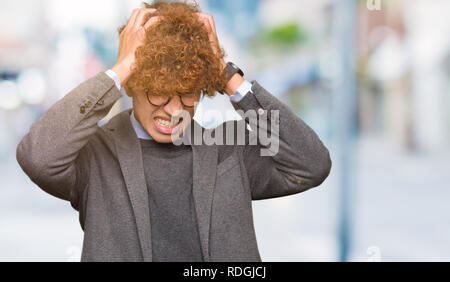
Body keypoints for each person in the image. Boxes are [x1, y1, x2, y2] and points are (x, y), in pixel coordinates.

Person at [16, 1, 331, 262]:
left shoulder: (229, 150)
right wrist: (120, 69)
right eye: (158, 92)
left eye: (187, 93)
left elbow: (311, 164)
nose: (173, 109)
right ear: (134, 86)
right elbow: (38, 156)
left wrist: (225, 72)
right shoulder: (94, 156)